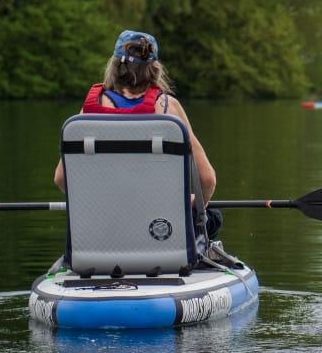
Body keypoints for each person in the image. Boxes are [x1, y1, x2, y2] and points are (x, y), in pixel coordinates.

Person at [53, 30, 222, 243]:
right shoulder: (169, 108)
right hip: (160, 231)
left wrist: (99, 203)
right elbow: (207, 180)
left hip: (105, 229)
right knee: (213, 217)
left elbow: (61, 178)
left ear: (114, 67)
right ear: (155, 69)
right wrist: (193, 205)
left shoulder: (89, 111)